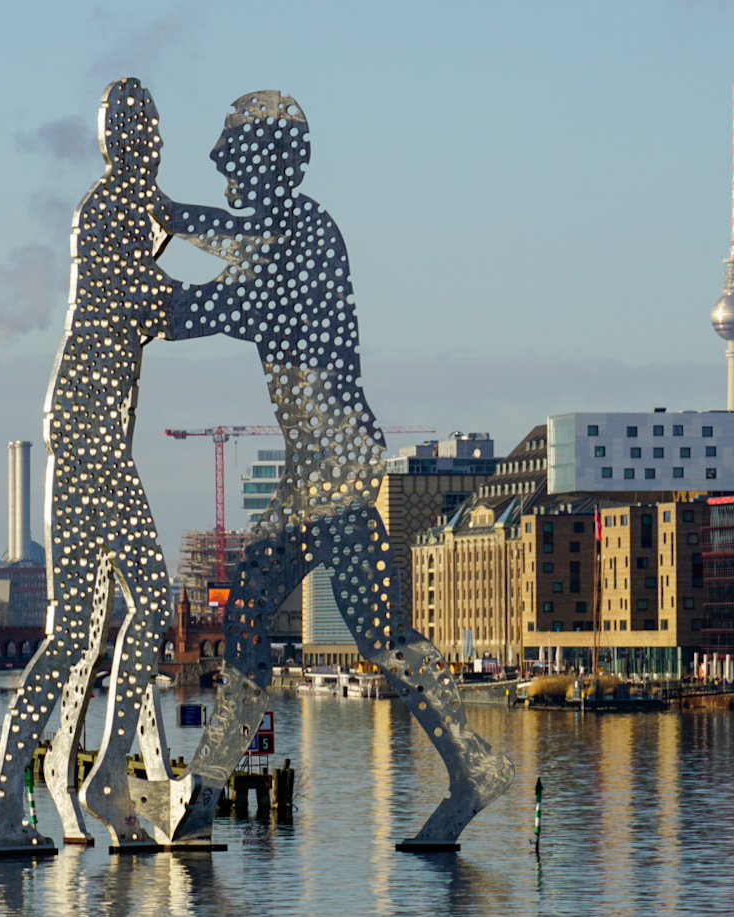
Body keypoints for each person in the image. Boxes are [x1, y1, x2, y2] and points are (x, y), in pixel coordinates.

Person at [155, 91, 513, 847]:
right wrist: (168, 213)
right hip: (317, 470)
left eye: (233, 150)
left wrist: (140, 294)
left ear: (272, 161)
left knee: (275, 623)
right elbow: (229, 238)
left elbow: (224, 305)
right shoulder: (285, 229)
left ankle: (201, 800)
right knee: (357, 633)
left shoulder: (306, 235)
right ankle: (470, 762)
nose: (220, 162)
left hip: (334, 473)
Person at [0, 77, 176, 857]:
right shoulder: (111, 208)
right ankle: (105, 779)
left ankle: (5, 808)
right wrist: (240, 299)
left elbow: (175, 238)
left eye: (150, 126)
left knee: (77, 634)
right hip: (92, 436)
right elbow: (156, 305)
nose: (147, 140)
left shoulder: (128, 207)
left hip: (83, 431)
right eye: (135, 128)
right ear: (116, 139)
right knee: (149, 605)